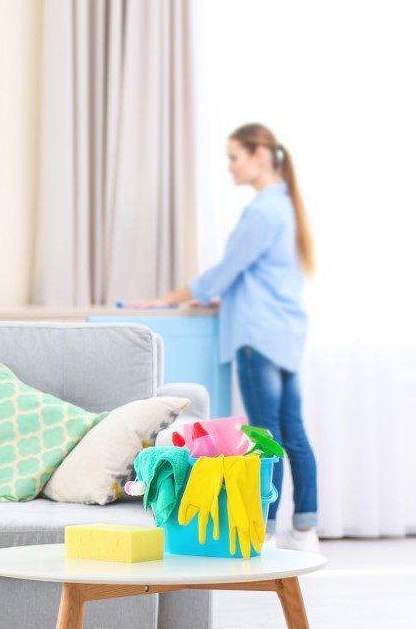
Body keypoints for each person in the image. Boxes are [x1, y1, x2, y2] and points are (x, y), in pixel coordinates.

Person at [129, 123, 319, 553]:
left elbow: (223, 273)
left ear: (259, 155)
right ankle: (305, 529)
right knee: (293, 433)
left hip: (259, 336)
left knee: (264, 438)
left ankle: (264, 528)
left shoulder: (262, 212)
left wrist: (163, 300)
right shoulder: (287, 207)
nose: (230, 167)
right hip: (285, 335)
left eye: (234, 157)